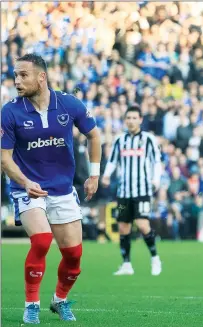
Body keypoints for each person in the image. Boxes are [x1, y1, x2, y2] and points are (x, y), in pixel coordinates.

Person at [1, 53, 101, 323]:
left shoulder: (69, 104)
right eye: (15, 75)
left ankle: (60, 300)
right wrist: (24, 182)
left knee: (74, 257)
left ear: (41, 77)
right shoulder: (10, 111)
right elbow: (4, 158)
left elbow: (94, 134)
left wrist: (94, 175)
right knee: (42, 240)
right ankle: (31, 304)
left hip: (62, 189)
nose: (17, 81)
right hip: (28, 188)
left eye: (23, 75)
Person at [101, 106, 163, 276]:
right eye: (128, 118)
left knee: (143, 225)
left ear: (140, 119)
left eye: (134, 118)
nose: (131, 121)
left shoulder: (149, 139)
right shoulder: (120, 140)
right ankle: (127, 264)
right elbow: (113, 161)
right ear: (125, 120)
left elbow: (157, 162)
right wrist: (106, 175)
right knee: (123, 227)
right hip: (123, 193)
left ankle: (155, 257)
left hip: (142, 191)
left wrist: (156, 179)